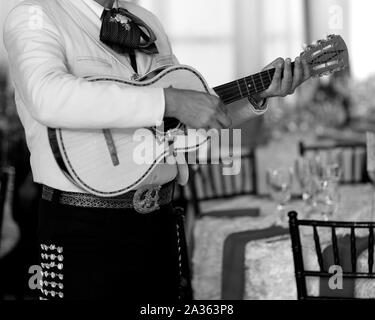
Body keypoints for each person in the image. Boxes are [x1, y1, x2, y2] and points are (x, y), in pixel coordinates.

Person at [3, 0, 311, 300]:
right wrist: (171, 101)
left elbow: (178, 127)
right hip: (82, 229)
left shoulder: (146, 21)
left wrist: (253, 95)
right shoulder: (35, 14)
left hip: (158, 223)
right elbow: (46, 95)